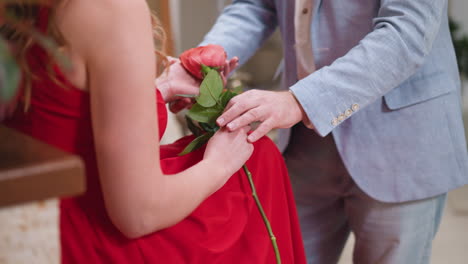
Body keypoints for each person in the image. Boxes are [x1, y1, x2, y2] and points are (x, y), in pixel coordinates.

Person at [1, 0, 306, 263]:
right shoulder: (111, 9)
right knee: (258, 160)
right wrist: (220, 164)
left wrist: (158, 91)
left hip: (30, 209)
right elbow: (138, 214)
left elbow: (54, 117)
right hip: (78, 237)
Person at [165, 0, 468, 263]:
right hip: (304, 144)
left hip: (403, 136)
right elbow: (257, 5)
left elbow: (406, 33)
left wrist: (300, 100)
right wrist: (207, 60)